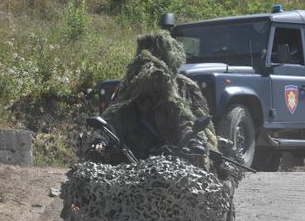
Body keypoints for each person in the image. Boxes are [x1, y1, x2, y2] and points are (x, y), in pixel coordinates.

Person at [88, 30, 217, 170]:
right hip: (133, 161)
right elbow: (114, 120)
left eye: (156, 84)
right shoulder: (131, 96)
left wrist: (194, 141)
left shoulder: (181, 93)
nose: (152, 89)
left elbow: (187, 122)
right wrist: (101, 139)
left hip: (176, 158)